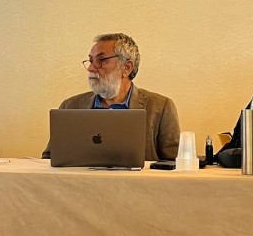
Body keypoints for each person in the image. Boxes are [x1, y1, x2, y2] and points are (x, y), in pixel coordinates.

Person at [42, 32, 180, 161]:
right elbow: (50, 159)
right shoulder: (70, 106)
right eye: (91, 60)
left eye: (101, 60)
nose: (91, 68)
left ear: (127, 67)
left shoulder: (160, 107)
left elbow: (175, 163)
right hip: (83, 180)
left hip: (137, 180)